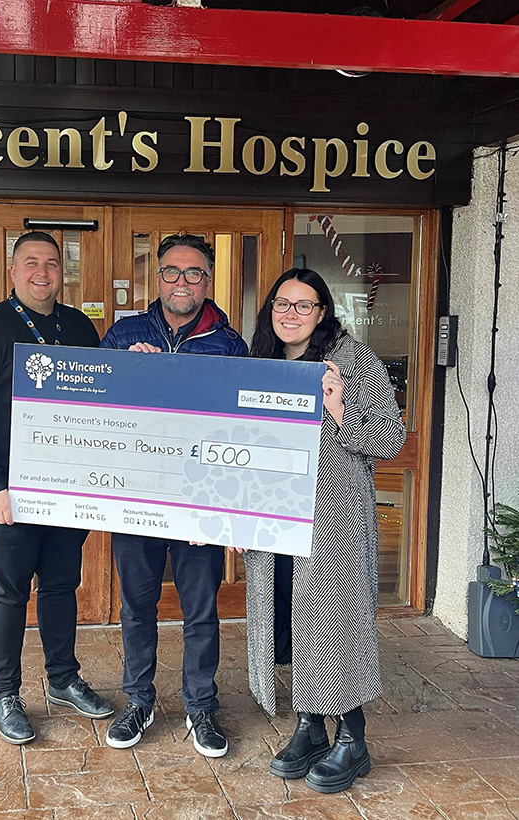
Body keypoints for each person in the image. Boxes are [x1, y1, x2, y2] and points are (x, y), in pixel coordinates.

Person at [244, 268, 406, 792]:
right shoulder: (261, 363)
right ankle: (310, 725)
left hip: (333, 519)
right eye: (281, 304)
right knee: (291, 625)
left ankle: (352, 737)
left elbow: (390, 440)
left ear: (322, 312)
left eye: (303, 305)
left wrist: (338, 409)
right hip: (275, 522)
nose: (290, 314)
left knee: (333, 627)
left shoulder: (354, 362)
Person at [0, 231, 113, 745]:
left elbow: (106, 402)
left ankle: (63, 678)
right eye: (30, 263)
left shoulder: (81, 328)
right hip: (12, 495)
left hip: (70, 490)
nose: (41, 272)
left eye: (50, 263)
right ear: (13, 271)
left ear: (60, 271)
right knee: (9, 593)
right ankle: (5, 694)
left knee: (62, 587)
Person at [100, 234, 248, 757]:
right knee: (137, 607)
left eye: (193, 273)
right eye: (170, 272)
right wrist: (126, 375)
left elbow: (242, 429)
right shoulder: (123, 335)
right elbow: (94, 411)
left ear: (207, 281)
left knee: (200, 609)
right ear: (156, 278)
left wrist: (236, 512)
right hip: (136, 499)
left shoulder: (229, 343)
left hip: (200, 500)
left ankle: (200, 706)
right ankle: (138, 701)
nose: (181, 282)